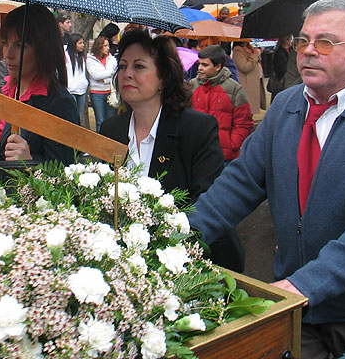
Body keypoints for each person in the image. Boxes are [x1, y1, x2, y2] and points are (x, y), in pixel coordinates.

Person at [189, 0, 345, 358]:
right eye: (302, 40)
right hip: (299, 309)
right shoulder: (285, 106)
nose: (308, 51)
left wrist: (304, 284)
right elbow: (241, 182)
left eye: (325, 43)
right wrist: (175, 236)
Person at [99, 30, 243, 271]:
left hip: (190, 261)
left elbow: (208, 201)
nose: (127, 74)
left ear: (164, 78)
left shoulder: (197, 128)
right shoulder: (111, 128)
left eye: (139, 66)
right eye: (122, 66)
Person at [0, 3, 79, 164]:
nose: (8, 54)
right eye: (5, 43)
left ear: (42, 49)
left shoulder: (58, 103)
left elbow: (66, 173)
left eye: (20, 46)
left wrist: (30, 161)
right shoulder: (8, 90)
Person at [190, 45, 252, 162]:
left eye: (205, 65)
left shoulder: (234, 89)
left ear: (218, 66)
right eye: (199, 64)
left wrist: (231, 145)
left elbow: (244, 123)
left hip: (224, 157)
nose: (200, 68)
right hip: (196, 153)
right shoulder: (192, 86)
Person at [87, 35, 117, 132]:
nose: (107, 48)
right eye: (105, 46)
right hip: (97, 93)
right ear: (99, 46)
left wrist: (104, 79)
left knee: (110, 119)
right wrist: (109, 73)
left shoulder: (111, 58)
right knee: (100, 120)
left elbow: (115, 72)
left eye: (108, 45)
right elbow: (95, 75)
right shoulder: (90, 59)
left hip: (110, 92)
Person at [232, 41, 266, 114]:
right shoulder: (237, 51)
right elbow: (244, 67)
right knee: (248, 109)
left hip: (255, 81)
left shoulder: (250, 47)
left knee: (253, 108)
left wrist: (258, 53)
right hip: (247, 83)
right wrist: (255, 55)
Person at [65, 33, 88, 123]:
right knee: (71, 115)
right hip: (70, 89)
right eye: (80, 43)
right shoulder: (65, 55)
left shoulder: (81, 57)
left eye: (83, 43)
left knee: (79, 115)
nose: (82, 45)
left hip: (81, 89)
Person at [268, 34, 292, 102]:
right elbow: (280, 68)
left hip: (286, 79)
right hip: (280, 80)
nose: (291, 41)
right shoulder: (279, 52)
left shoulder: (290, 50)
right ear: (286, 41)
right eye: (290, 39)